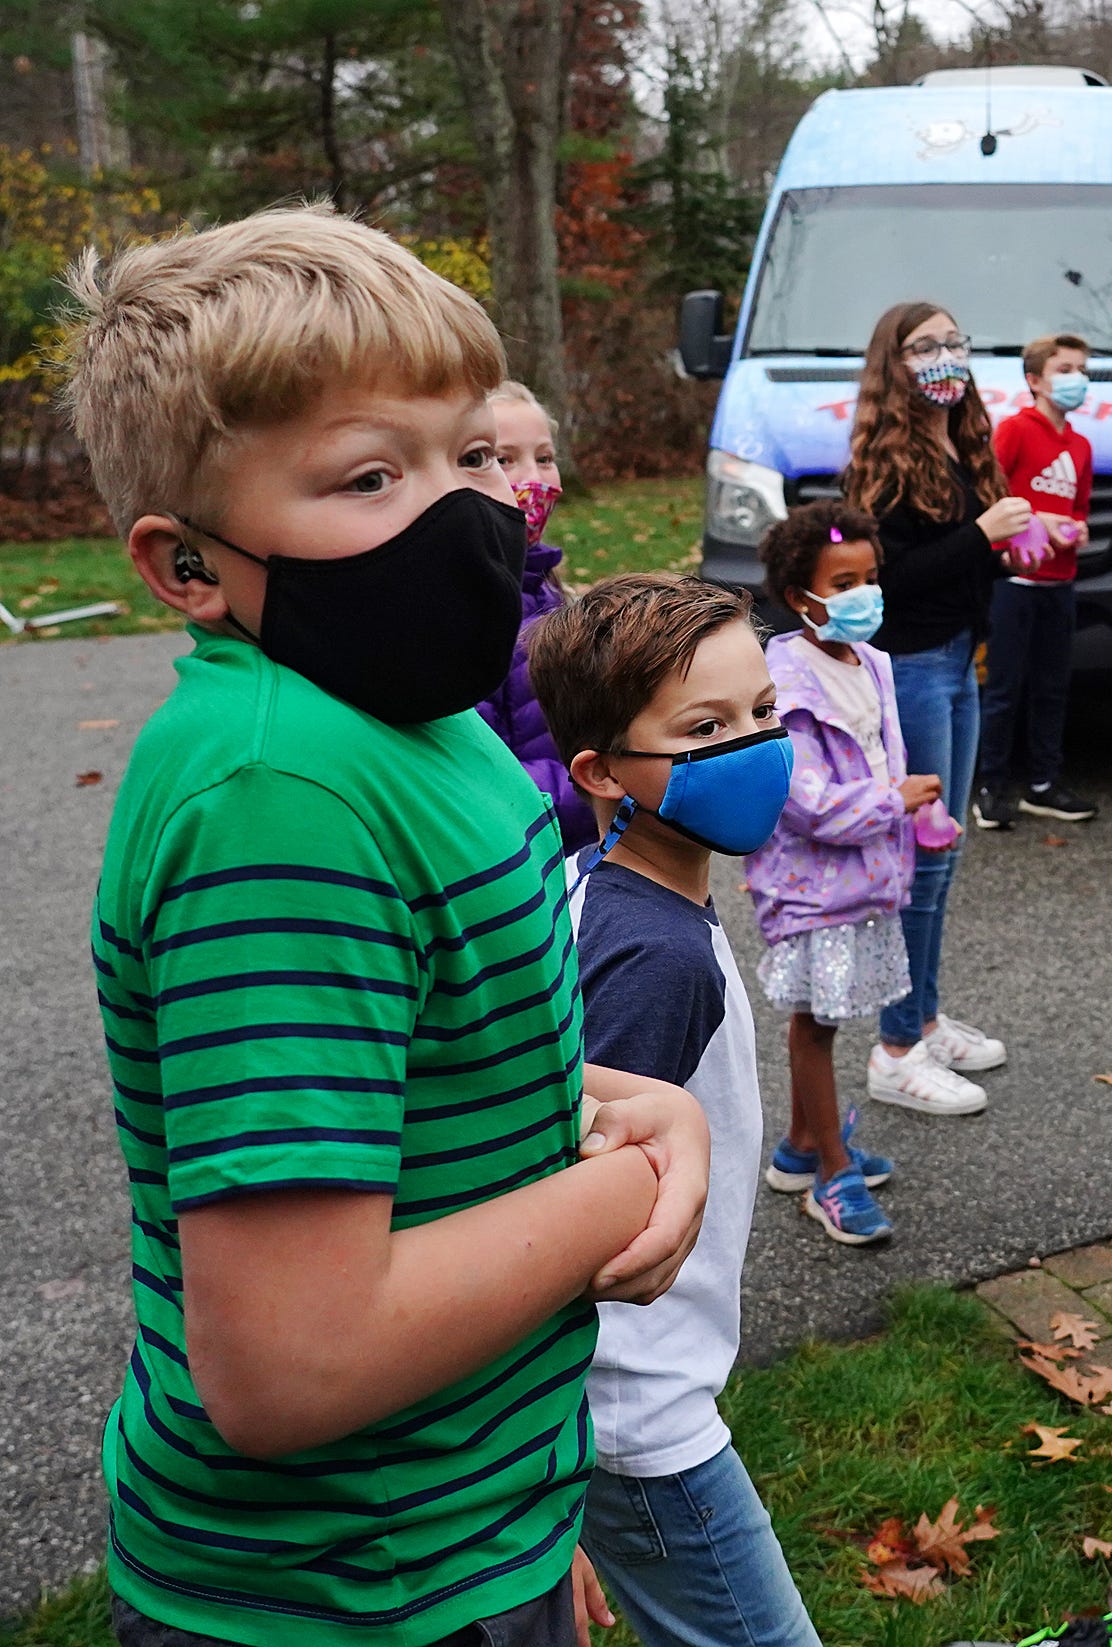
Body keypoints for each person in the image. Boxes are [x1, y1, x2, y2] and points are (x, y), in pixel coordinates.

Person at [62, 204, 710, 1646]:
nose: (463, 512)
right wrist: (620, 1185)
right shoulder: (279, 798)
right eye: (371, 474)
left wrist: (638, 1105)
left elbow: (433, 1067)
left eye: (473, 452)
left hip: (460, 1530)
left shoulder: (415, 720)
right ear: (186, 566)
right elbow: (292, 1361)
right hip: (343, 1593)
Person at [525, 573, 825, 1647]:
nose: (752, 747)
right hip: (637, 1423)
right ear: (602, 771)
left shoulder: (595, 883)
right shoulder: (655, 960)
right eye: (703, 728)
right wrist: (544, 1506)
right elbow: (548, 1226)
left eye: (761, 715)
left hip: (611, 1425)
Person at [753, 501, 963, 1247]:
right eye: (843, 581)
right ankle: (830, 1176)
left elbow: (885, 753)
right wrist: (892, 802)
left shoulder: (871, 661)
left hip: (865, 873)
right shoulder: (785, 680)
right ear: (798, 593)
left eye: (871, 577)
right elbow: (804, 801)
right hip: (809, 886)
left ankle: (799, 1147)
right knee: (814, 1023)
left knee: (828, 1014)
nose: (863, 594)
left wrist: (914, 819)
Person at [841, 300, 1025, 1106]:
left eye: (954, 340)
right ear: (895, 363)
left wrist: (1019, 549)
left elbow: (962, 565)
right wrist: (985, 533)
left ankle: (923, 1014)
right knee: (918, 859)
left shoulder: (965, 440)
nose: (945, 355)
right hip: (912, 666)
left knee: (942, 853)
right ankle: (893, 1051)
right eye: (925, 346)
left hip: (959, 661)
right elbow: (892, 577)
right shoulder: (884, 460)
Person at [974, 332, 1098, 829]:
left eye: (1081, 369)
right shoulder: (1015, 431)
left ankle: (1044, 784)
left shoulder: (1082, 445)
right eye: (1064, 369)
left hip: (1060, 584)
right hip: (1014, 585)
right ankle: (989, 786)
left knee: (1053, 688)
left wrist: (1077, 529)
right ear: (1035, 380)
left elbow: (1079, 508)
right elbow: (988, 495)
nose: (1077, 379)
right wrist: (1036, 520)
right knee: (1004, 687)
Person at [474, 380, 594, 852]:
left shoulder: (544, 586)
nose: (535, 479)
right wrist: (603, 784)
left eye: (544, 458)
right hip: (525, 857)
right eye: (504, 459)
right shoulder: (470, 611)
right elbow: (482, 779)